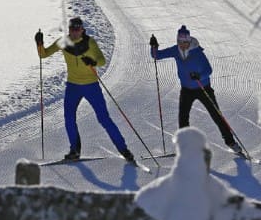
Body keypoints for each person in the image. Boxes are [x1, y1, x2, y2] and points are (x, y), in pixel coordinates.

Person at [34, 17, 135, 163]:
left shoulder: (89, 42)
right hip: (73, 86)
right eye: (72, 29)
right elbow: (43, 55)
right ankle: (75, 150)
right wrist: (39, 43)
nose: (75, 33)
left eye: (77, 29)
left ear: (82, 30)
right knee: (69, 118)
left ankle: (124, 150)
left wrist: (93, 61)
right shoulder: (63, 42)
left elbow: (102, 61)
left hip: (91, 85)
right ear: (69, 30)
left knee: (103, 118)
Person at [149, 25, 242, 153]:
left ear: (189, 41)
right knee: (183, 117)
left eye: (185, 42)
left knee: (216, 115)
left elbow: (209, 70)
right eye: (180, 42)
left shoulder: (197, 52)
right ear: (178, 41)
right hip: (186, 89)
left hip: (203, 88)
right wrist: (154, 46)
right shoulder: (175, 50)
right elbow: (156, 56)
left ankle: (230, 142)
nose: (183, 45)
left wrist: (199, 76)